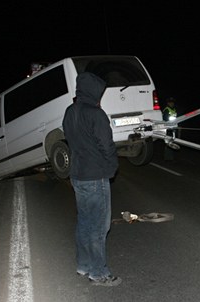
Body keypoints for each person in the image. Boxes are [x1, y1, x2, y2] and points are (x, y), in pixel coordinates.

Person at [62, 72, 121, 287]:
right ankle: (99, 273)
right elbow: (107, 145)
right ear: (94, 92)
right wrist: (112, 167)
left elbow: (70, 139)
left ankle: (83, 265)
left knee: (84, 222)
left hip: (78, 175)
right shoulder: (96, 114)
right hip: (96, 177)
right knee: (99, 227)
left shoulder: (70, 112)